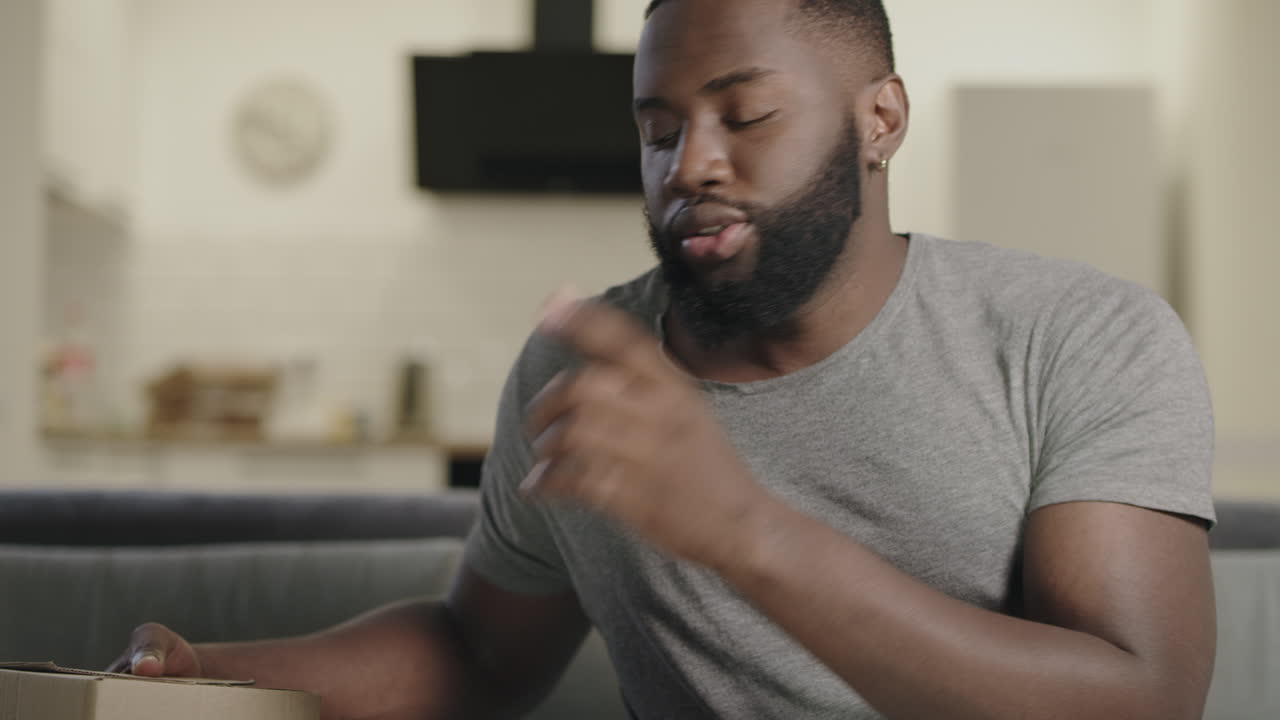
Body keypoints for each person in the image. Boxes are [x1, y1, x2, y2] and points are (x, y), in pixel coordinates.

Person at [110, 0, 1218, 718]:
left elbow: (1141, 700)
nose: (690, 164)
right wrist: (209, 677)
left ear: (878, 119)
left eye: (745, 115)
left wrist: (740, 530)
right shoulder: (576, 372)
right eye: (656, 130)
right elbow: (474, 657)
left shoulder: (1079, 337)